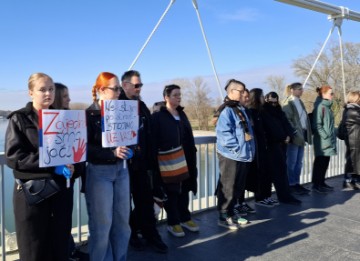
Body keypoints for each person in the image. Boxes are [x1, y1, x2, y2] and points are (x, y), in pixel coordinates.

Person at [5, 73, 75, 261]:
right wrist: (51, 162)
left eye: (51, 89)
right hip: (32, 193)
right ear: (30, 93)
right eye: (42, 89)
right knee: (33, 247)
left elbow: (74, 151)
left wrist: (74, 166)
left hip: (60, 191)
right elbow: (14, 158)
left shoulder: (64, 118)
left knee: (60, 245)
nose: (48, 93)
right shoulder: (19, 119)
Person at [119, 70, 168, 253]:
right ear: (125, 85)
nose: (139, 88)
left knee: (145, 202)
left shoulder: (141, 105)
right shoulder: (117, 105)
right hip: (125, 165)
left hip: (144, 163)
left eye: (141, 85)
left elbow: (149, 132)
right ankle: (130, 235)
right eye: (136, 85)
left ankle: (150, 234)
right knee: (125, 204)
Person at [85, 72, 131, 261]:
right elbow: (84, 149)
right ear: (102, 90)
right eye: (116, 88)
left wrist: (132, 147)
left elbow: (132, 137)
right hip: (99, 172)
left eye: (119, 88)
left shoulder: (123, 110)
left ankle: (120, 257)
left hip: (122, 170)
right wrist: (111, 153)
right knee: (102, 224)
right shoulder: (89, 115)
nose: (119, 92)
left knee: (122, 223)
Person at [151, 84, 199, 237]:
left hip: (186, 159)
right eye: (175, 95)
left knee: (184, 189)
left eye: (180, 95)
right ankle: (173, 223)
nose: (179, 97)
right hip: (169, 160)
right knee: (171, 192)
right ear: (166, 97)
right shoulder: (158, 116)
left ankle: (185, 218)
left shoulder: (181, 114)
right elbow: (154, 141)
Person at [215, 79, 255, 230]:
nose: (244, 93)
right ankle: (224, 216)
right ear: (232, 92)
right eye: (241, 91)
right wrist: (238, 150)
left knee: (237, 187)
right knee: (228, 186)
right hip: (231, 156)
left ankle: (231, 213)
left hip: (242, 155)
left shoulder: (240, 109)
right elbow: (224, 134)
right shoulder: (227, 110)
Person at [53, 82, 86, 260]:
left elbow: (80, 152)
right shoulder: (48, 121)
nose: (70, 99)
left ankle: (69, 251)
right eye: (65, 96)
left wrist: (76, 167)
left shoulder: (71, 120)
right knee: (55, 223)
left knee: (65, 220)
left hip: (67, 181)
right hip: (50, 184)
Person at [262, 92, 301, 205]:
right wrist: (283, 136)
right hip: (272, 145)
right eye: (271, 102)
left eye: (275, 102)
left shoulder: (279, 111)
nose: (273, 104)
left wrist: (289, 135)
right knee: (277, 172)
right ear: (266, 100)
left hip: (282, 144)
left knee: (282, 171)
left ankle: (285, 195)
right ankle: (282, 196)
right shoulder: (264, 111)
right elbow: (270, 128)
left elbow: (286, 124)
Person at [248, 88, 277, 207]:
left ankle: (267, 195)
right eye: (261, 96)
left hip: (264, 146)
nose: (263, 98)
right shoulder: (251, 112)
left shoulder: (261, 112)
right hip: (257, 148)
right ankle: (260, 197)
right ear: (256, 98)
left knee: (267, 172)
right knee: (260, 172)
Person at [282, 82, 312, 195]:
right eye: (299, 89)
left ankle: (296, 183)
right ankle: (290, 184)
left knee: (299, 162)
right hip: (295, 135)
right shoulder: (288, 102)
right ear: (292, 90)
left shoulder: (299, 101)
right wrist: (294, 131)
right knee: (292, 161)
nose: (301, 91)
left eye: (302, 89)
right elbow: (287, 119)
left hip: (302, 133)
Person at [311, 86, 337, 193]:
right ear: (324, 94)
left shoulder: (327, 107)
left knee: (325, 162)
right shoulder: (320, 107)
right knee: (320, 162)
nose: (332, 95)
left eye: (332, 93)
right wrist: (326, 136)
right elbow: (317, 125)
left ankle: (321, 182)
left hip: (328, 139)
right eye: (330, 93)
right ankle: (316, 185)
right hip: (322, 141)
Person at [342, 91, 360, 189]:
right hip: (354, 137)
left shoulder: (349, 109)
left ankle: (352, 180)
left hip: (354, 137)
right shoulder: (353, 111)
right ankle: (349, 179)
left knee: (353, 159)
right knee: (352, 160)